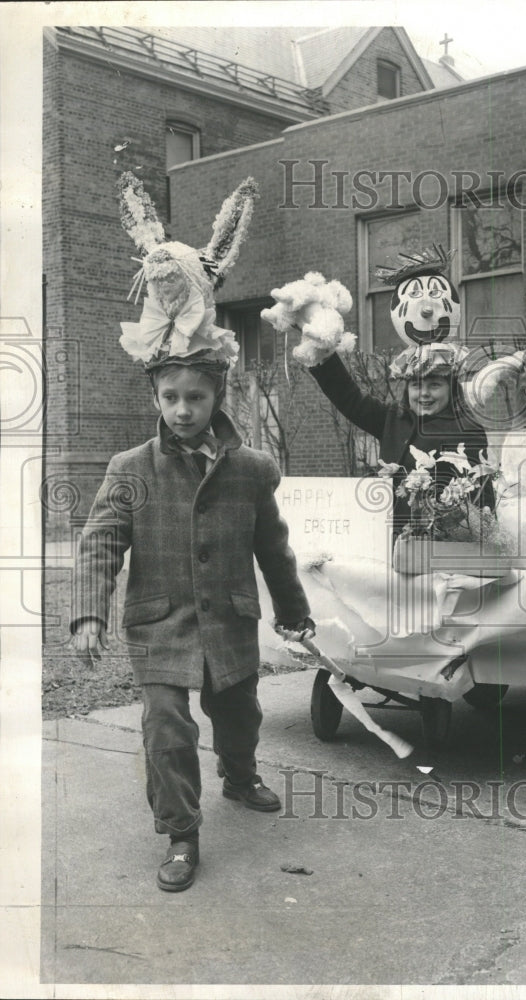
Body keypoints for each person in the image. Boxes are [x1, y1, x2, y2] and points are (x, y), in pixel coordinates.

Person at [71, 171, 313, 892]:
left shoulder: (251, 469)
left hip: (230, 621)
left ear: (218, 395)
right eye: (170, 397)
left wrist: (294, 612)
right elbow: (100, 543)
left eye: (195, 397)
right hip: (160, 624)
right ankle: (180, 832)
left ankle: (239, 774)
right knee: (166, 726)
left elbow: (273, 549)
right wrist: (88, 611)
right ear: (155, 395)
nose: (182, 409)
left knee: (237, 709)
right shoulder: (129, 468)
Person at [308, 341, 494, 537]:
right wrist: (321, 350)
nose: (424, 393)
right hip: (385, 542)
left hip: (438, 549)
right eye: (416, 385)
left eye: (435, 385)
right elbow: (349, 397)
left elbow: (482, 502)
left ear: (451, 389)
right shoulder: (393, 419)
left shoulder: (467, 430)